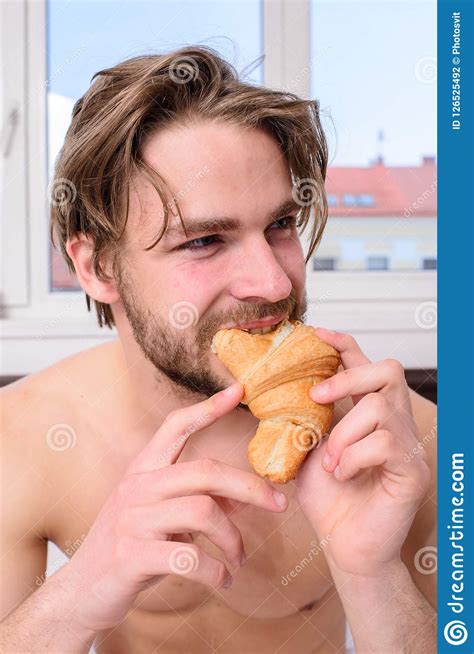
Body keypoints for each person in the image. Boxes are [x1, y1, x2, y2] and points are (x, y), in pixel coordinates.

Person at [0, 46, 436, 653]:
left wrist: (373, 577)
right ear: (97, 266)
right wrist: (79, 593)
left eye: (280, 225)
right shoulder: (21, 438)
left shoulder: (401, 441)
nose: (276, 283)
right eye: (205, 240)